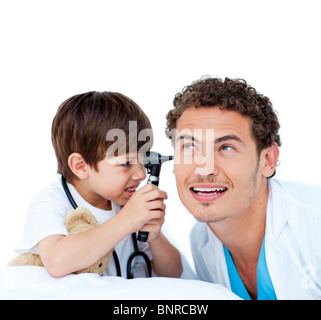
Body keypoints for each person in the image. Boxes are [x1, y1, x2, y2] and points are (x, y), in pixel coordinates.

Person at [165, 77, 321, 299]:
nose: (204, 169)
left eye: (226, 147)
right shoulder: (201, 241)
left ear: (267, 160)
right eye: (189, 146)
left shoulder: (315, 224)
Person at [14, 91, 182, 278]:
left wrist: (156, 238)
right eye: (126, 163)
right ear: (80, 166)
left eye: (143, 160)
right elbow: (57, 262)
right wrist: (126, 221)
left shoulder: (128, 203)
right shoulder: (50, 203)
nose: (141, 174)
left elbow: (174, 273)